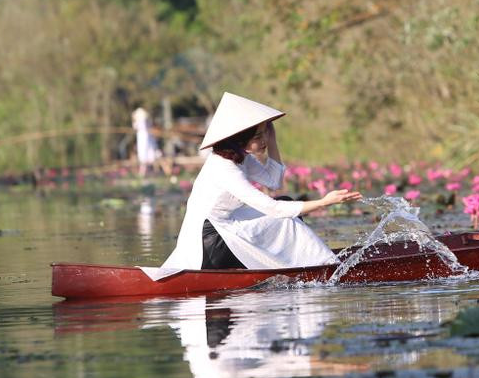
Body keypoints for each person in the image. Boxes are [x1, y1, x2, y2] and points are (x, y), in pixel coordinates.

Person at [145, 92, 360, 280]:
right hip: (210, 242)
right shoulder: (224, 168)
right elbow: (272, 209)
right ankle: (326, 268)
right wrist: (325, 202)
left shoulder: (241, 157)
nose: (264, 139)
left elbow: (274, 182)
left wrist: (272, 140)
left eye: (265, 132)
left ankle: (300, 261)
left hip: (226, 228)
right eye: (258, 136)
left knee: (286, 202)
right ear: (239, 139)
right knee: (287, 220)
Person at [131, 106, 161, 177]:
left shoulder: (143, 121)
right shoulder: (146, 121)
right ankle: (149, 171)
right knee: (149, 155)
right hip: (145, 139)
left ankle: (144, 172)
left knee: (145, 155)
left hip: (144, 140)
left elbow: (136, 127)